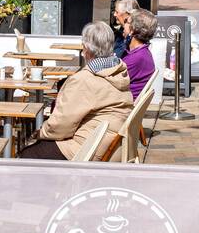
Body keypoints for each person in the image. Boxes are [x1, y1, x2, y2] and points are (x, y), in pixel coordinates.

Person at [20, 21, 133, 160]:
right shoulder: (118, 70)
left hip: (90, 148)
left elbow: (61, 126)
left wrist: (39, 133)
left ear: (86, 49)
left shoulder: (84, 79)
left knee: (28, 154)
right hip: (112, 144)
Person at [122, 8, 157, 99]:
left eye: (126, 21)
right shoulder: (143, 52)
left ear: (132, 30)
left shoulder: (136, 58)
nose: (123, 24)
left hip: (122, 106)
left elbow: (112, 82)